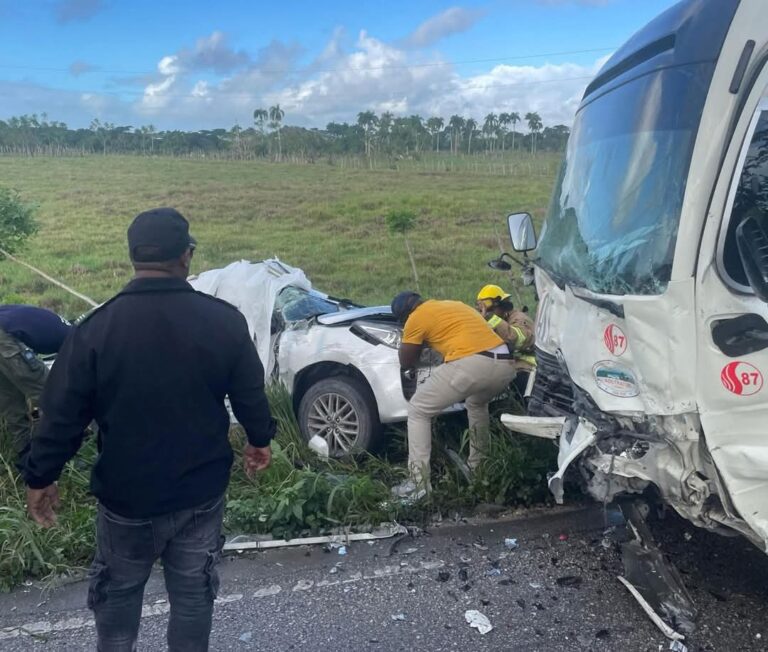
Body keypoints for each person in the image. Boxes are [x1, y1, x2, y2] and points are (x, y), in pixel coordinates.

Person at [22, 207, 276, 652]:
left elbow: (60, 413)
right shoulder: (223, 321)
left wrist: (41, 476)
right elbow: (250, 394)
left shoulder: (96, 329)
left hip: (127, 499)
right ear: (187, 256)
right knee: (193, 598)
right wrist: (259, 440)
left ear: (132, 257)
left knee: (118, 600)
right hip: (200, 493)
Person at [390, 291, 517, 500]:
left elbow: (406, 360)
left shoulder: (415, 318)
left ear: (404, 315)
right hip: (504, 364)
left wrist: (409, 336)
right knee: (476, 404)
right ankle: (479, 468)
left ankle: (419, 483)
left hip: (473, 364)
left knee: (418, 409)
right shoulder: (455, 303)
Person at [0, 304, 70, 461]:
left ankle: (25, 454)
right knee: (49, 391)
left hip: (6, 332)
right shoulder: (79, 339)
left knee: (11, 402)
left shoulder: (57, 325)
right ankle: (51, 448)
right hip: (4, 339)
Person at [475, 284, 536, 399]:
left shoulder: (519, 319)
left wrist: (491, 318)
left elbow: (519, 339)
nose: (485, 313)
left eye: (491, 310)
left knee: (521, 381)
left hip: (526, 366)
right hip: (504, 364)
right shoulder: (496, 319)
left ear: (503, 306)